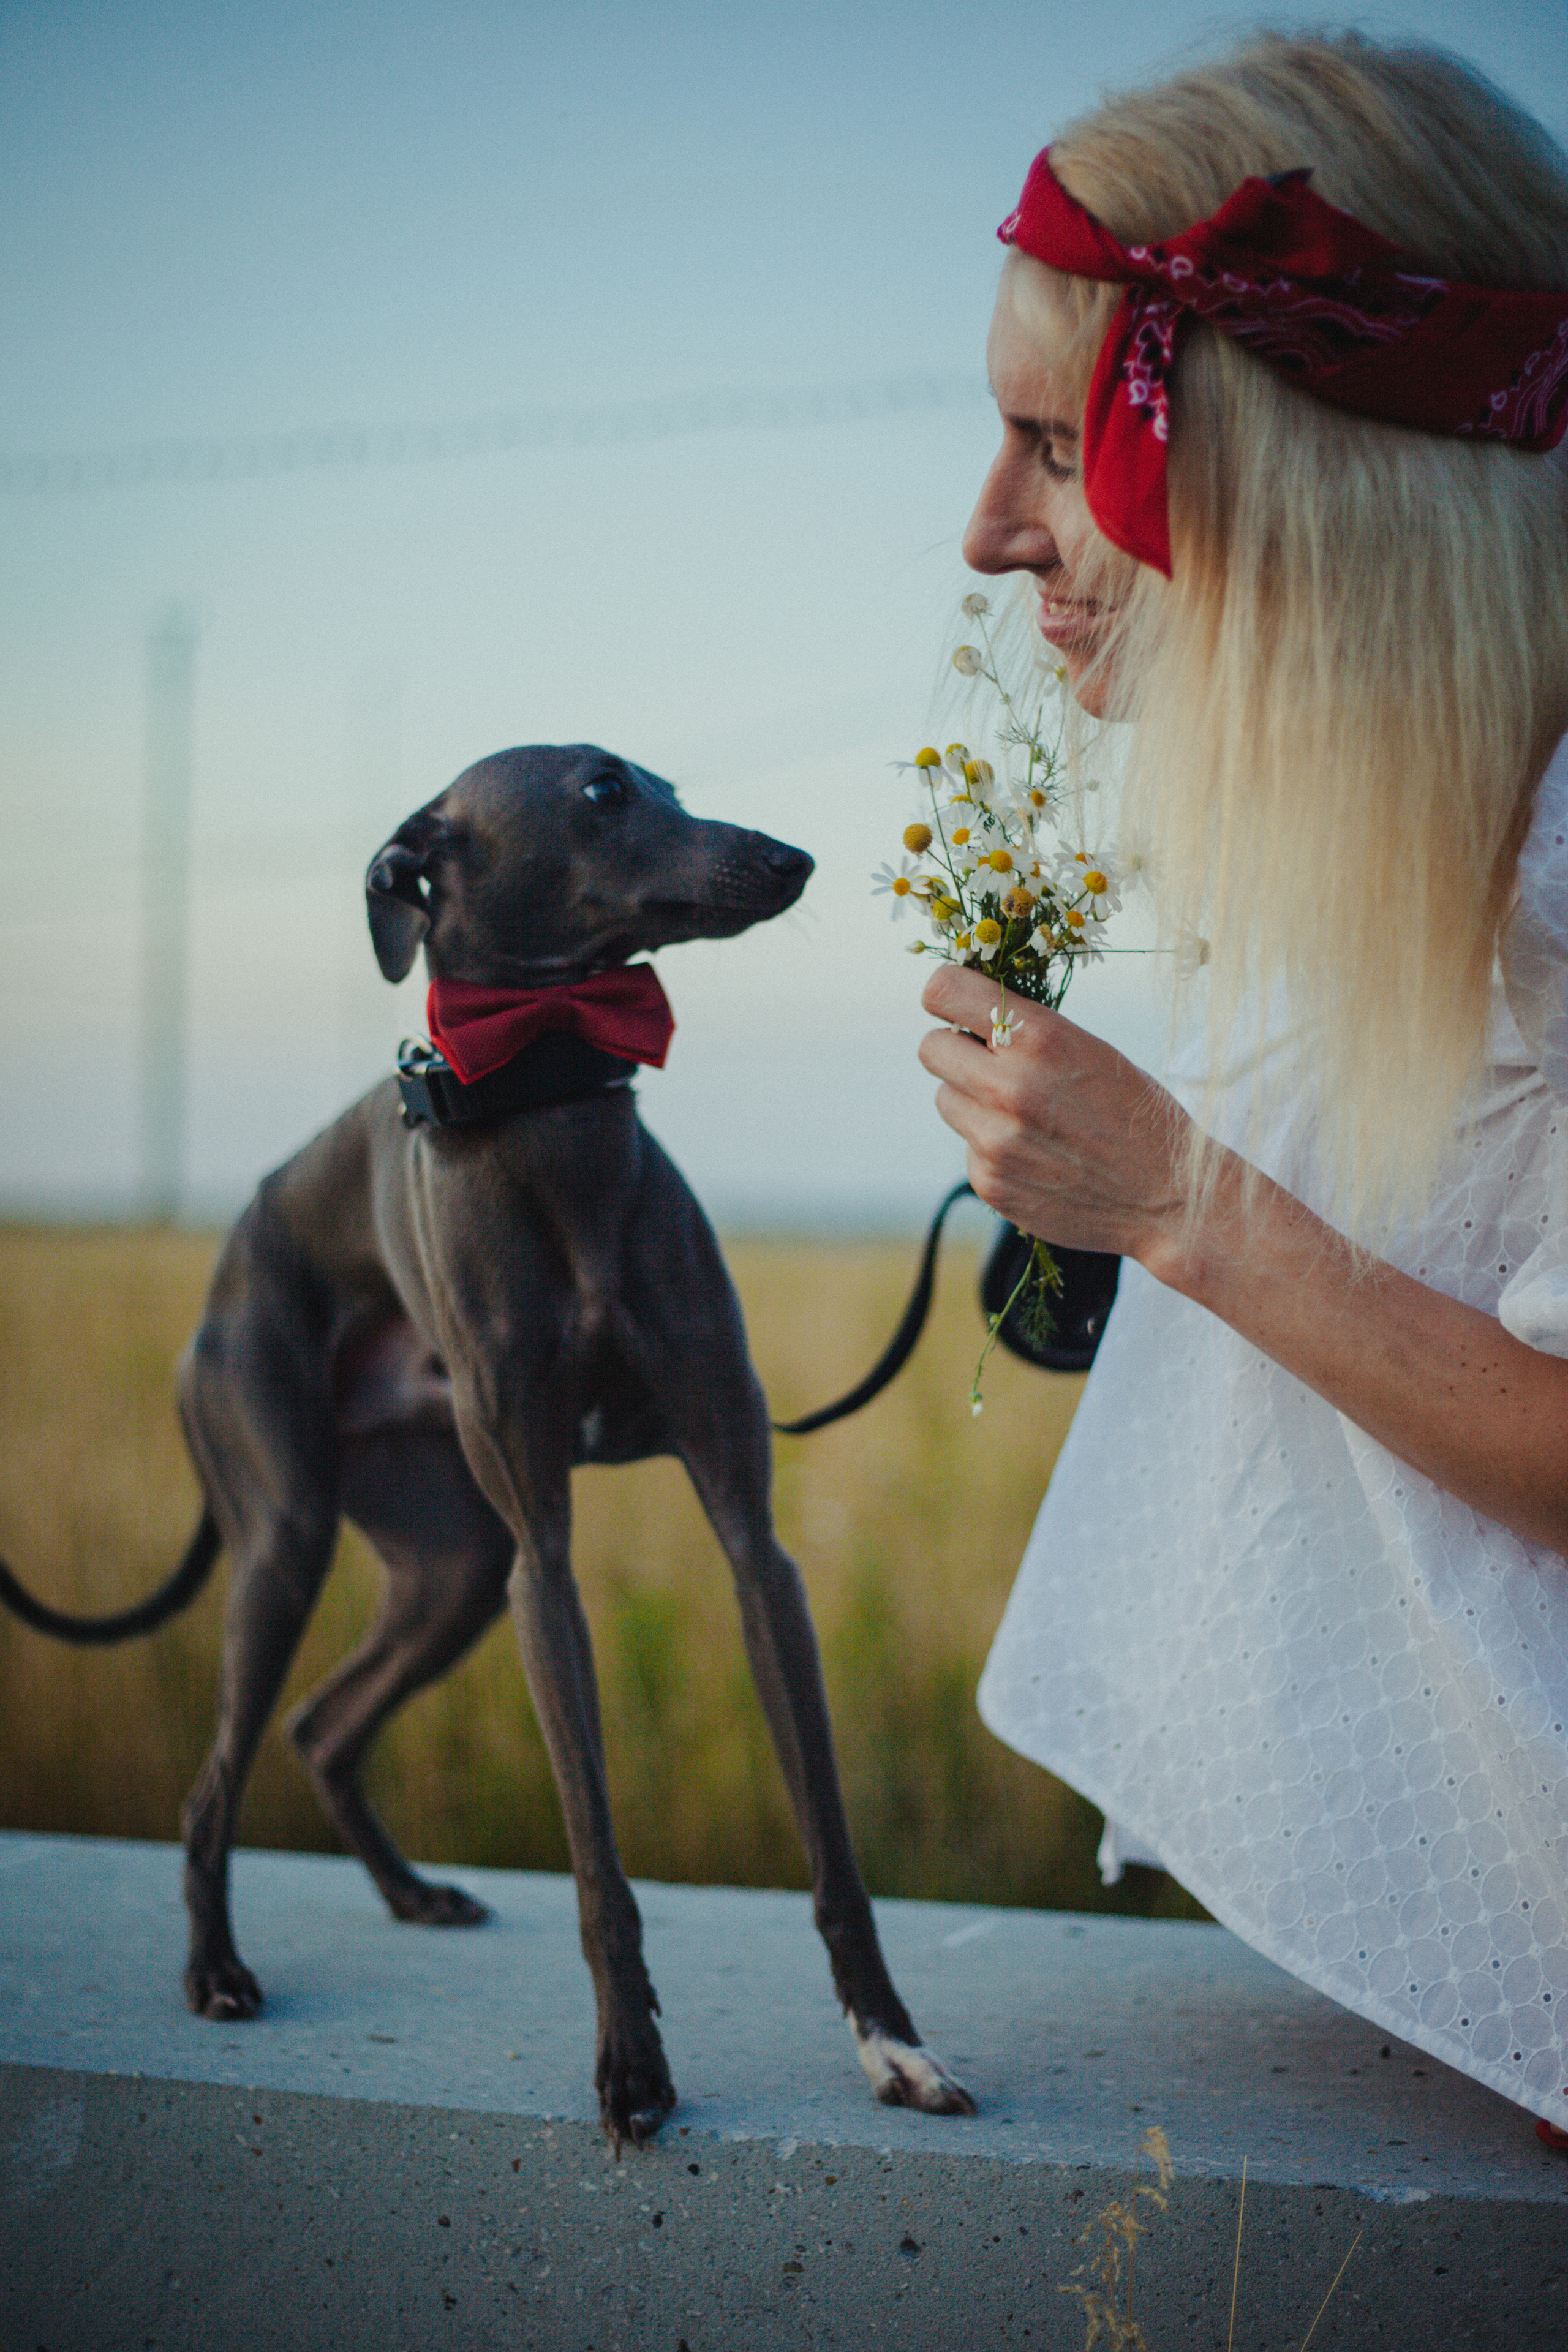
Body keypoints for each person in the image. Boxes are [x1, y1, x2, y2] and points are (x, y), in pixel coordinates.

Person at [918, 29, 1568, 2142]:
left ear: (1291, 458)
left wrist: (1181, 1202)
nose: (987, 530)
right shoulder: (1451, 818)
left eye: (1046, 436)